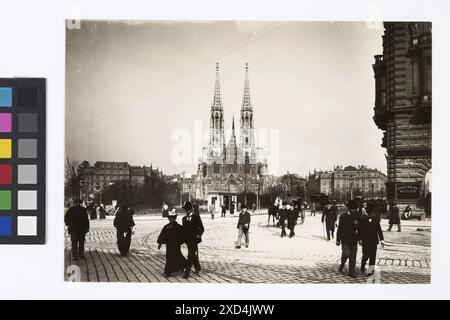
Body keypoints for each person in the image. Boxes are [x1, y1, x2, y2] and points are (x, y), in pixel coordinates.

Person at [157, 208, 187, 277]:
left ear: (175, 218)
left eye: (172, 218)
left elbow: (183, 235)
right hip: (169, 245)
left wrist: (182, 241)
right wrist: (160, 243)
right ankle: (180, 266)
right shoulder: (166, 227)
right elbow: (162, 235)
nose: (171, 219)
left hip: (176, 245)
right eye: (170, 218)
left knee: (177, 256)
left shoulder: (179, 227)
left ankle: (168, 271)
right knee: (170, 257)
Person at [336, 200, 360, 278]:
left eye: (355, 209)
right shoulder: (343, 217)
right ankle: (342, 263)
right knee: (346, 254)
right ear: (349, 208)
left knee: (353, 256)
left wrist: (357, 225)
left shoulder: (357, 216)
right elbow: (339, 229)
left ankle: (351, 272)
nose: (354, 210)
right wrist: (338, 239)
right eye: (353, 209)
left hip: (354, 239)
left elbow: (360, 229)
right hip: (345, 240)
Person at [182, 201, 204, 279]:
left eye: (188, 210)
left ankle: (187, 272)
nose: (187, 211)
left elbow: (202, 228)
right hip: (188, 240)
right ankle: (198, 267)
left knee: (190, 255)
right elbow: (184, 230)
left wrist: (199, 234)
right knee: (192, 254)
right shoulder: (184, 219)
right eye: (186, 210)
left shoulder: (196, 217)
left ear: (191, 210)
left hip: (194, 240)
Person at [359, 209, 385, 276]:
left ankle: (370, 271)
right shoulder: (362, 219)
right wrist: (360, 239)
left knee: (373, 256)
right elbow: (360, 230)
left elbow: (379, 230)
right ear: (367, 212)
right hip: (365, 241)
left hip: (374, 241)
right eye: (370, 212)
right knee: (366, 255)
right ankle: (362, 265)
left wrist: (382, 240)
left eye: (372, 212)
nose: (371, 214)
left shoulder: (376, 219)